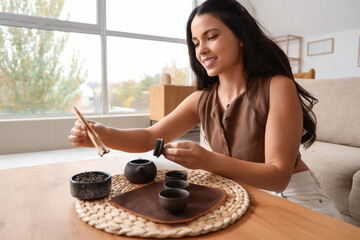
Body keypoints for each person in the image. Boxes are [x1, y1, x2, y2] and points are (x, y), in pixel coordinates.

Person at [68, 0, 342, 220]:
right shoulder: (202, 99)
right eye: (196, 42)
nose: (201, 50)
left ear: (241, 37)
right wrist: (103, 134)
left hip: (295, 195)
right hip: (241, 195)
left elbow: (279, 177)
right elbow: (148, 137)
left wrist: (207, 160)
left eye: (211, 37)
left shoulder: (277, 86)